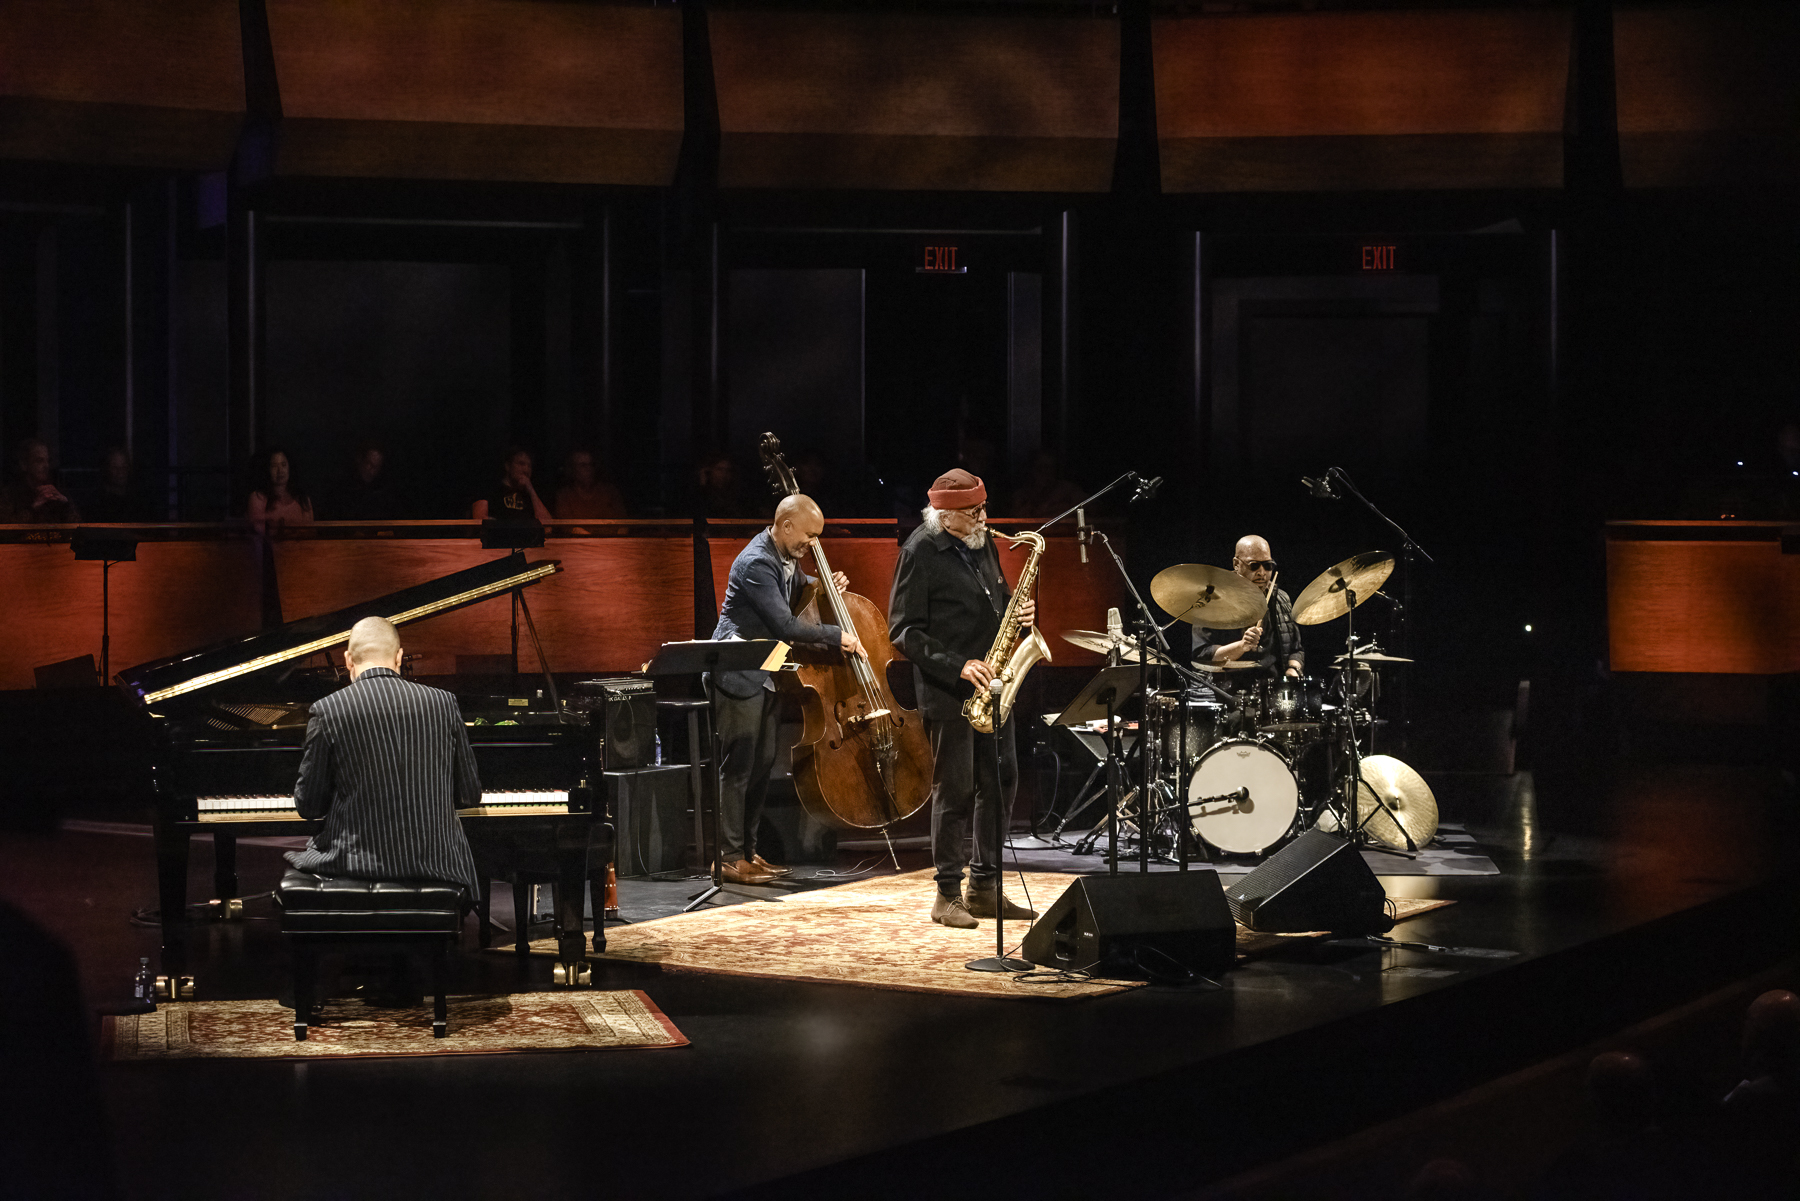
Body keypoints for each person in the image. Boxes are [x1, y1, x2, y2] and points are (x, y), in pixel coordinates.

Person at [888, 468, 1037, 928]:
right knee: (954, 790)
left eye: (983, 509)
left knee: (1001, 781)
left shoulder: (982, 541)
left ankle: (986, 888)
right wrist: (958, 664)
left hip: (994, 686)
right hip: (949, 690)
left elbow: (997, 598)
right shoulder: (920, 551)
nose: (984, 519)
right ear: (946, 515)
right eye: (975, 513)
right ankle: (946, 894)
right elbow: (904, 631)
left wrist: (1019, 610)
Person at [710, 494, 864, 885]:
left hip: (764, 672)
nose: (812, 545)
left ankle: (747, 852)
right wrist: (836, 635)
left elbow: (798, 582)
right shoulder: (756, 562)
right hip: (736, 671)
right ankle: (727, 858)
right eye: (810, 536)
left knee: (761, 766)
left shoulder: (785, 556)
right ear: (786, 525)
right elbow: (785, 626)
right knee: (739, 768)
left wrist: (825, 584)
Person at [286, 616, 482, 900]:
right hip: (439, 863)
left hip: (354, 864)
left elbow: (309, 806)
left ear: (348, 660)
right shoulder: (444, 703)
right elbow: (469, 795)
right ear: (399, 656)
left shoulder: (327, 710)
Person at [1194, 534, 1305, 681]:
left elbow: (1295, 649)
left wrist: (1293, 668)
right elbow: (1203, 656)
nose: (1262, 573)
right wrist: (1241, 646)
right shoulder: (1213, 601)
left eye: (1268, 565)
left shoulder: (1281, 599)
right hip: (1228, 691)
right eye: (1254, 565)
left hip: (1272, 690)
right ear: (1236, 564)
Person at [1, 438, 79, 523]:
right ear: (24, 464)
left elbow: (80, 530)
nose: (46, 466)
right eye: (39, 461)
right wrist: (33, 508)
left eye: (47, 461)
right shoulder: (11, 494)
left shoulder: (57, 493)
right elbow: (6, 531)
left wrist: (65, 504)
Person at [322, 441, 403, 521]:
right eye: (369, 464)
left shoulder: (381, 492)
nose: (372, 471)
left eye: (376, 467)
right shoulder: (341, 486)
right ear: (360, 459)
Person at [471, 446, 552, 524]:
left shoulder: (532, 496)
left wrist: (531, 490)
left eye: (529, 466)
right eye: (521, 464)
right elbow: (479, 519)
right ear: (508, 466)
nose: (526, 470)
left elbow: (548, 526)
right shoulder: (491, 488)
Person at [247, 447, 313, 534]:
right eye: (274, 466)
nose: (280, 470)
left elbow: (310, 533)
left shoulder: (302, 499)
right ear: (267, 469)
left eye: (284, 465)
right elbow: (258, 535)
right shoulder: (258, 498)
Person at [82, 445, 157, 522]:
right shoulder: (97, 502)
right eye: (115, 467)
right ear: (107, 469)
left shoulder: (139, 499)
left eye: (124, 466)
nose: (120, 472)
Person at [552, 447, 627, 519]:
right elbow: (569, 526)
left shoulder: (610, 492)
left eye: (591, 464)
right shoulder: (564, 495)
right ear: (572, 469)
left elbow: (623, 521)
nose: (588, 469)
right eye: (583, 465)